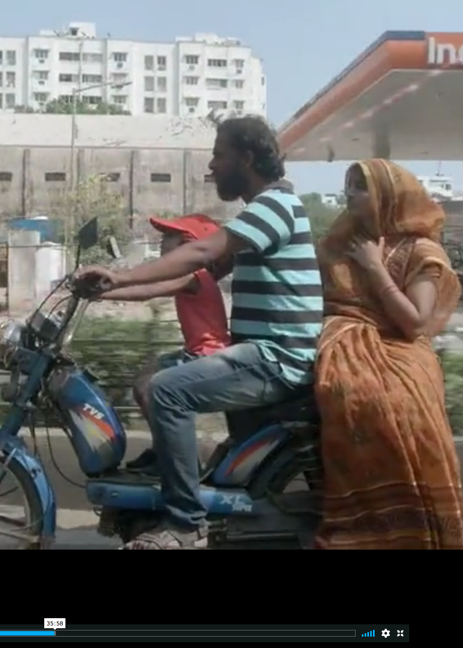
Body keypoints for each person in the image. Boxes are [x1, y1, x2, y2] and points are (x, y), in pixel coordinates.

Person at [75, 115, 322, 549]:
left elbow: (203, 251)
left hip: (275, 359)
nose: (212, 165)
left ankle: (185, 524)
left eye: (219, 155)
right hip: (261, 354)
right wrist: (112, 288)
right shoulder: (264, 212)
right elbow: (198, 270)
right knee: (154, 378)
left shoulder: (274, 206)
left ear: (247, 158)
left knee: (167, 390)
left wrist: (120, 275)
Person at [312, 159, 463, 549]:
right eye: (349, 184)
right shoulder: (339, 243)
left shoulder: (421, 250)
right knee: (345, 388)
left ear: (388, 196)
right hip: (343, 338)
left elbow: (415, 323)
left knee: (394, 403)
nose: (349, 193)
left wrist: (374, 267)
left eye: (361, 186)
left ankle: (414, 523)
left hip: (401, 347)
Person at [97, 213, 231, 474]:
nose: (162, 242)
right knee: (143, 381)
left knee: (148, 388)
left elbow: (146, 291)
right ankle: (163, 448)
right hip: (195, 351)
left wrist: (100, 292)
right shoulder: (194, 275)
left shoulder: (194, 275)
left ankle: (179, 459)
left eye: (169, 237)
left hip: (206, 355)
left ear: (188, 245)